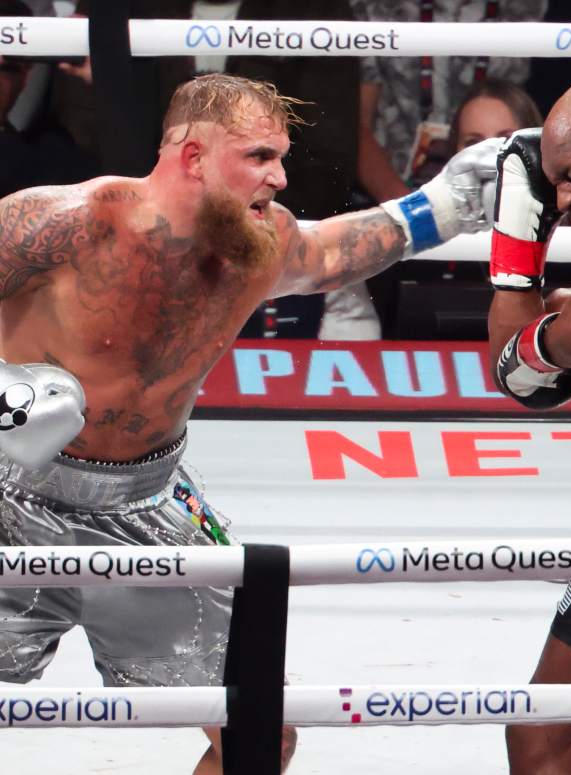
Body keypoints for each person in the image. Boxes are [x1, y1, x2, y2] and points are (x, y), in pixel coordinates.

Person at [0, 72, 499, 773]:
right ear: (193, 155)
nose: (281, 176)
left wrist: (446, 205)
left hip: (145, 503)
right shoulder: (72, 221)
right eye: (260, 156)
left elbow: (333, 252)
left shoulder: (259, 245)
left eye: (282, 156)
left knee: (262, 727)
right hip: (10, 494)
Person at [487, 73, 571, 772]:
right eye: (553, 181)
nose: (563, 200)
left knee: (542, 739)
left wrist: (515, 247)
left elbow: (521, 374)